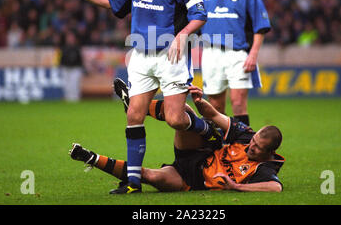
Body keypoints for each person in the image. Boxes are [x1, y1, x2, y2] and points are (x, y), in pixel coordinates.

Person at [58, 0, 207, 194]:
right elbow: (112, 2)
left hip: (170, 57)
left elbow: (199, 14)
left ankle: (206, 128)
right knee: (134, 115)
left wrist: (182, 34)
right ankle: (134, 183)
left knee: (175, 119)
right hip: (139, 56)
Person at [69, 80, 284, 193]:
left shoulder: (264, 168)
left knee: (151, 176)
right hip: (202, 150)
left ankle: (90, 158)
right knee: (185, 113)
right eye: (253, 142)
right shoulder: (246, 136)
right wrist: (201, 101)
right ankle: (138, 106)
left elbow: (275, 187)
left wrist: (237, 187)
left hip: (191, 179)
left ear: (269, 153)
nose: (250, 147)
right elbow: (214, 115)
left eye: (256, 148)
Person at [199, 0, 271, 126]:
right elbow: (193, 23)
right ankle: (220, 148)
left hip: (237, 54)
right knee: (215, 106)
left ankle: (242, 148)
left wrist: (253, 54)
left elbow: (260, 27)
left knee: (238, 103)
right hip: (210, 53)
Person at [60, 31, 84, 102]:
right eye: (69, 37)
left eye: (71, 37)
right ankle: (68, 101)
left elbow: (80, 59)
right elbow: (61, 59)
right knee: (66, 86)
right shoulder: (63, 48)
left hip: (75, 69)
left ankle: (75, 100)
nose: (70, 39)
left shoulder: (77, 48)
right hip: (66, 69)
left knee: (74, 86)